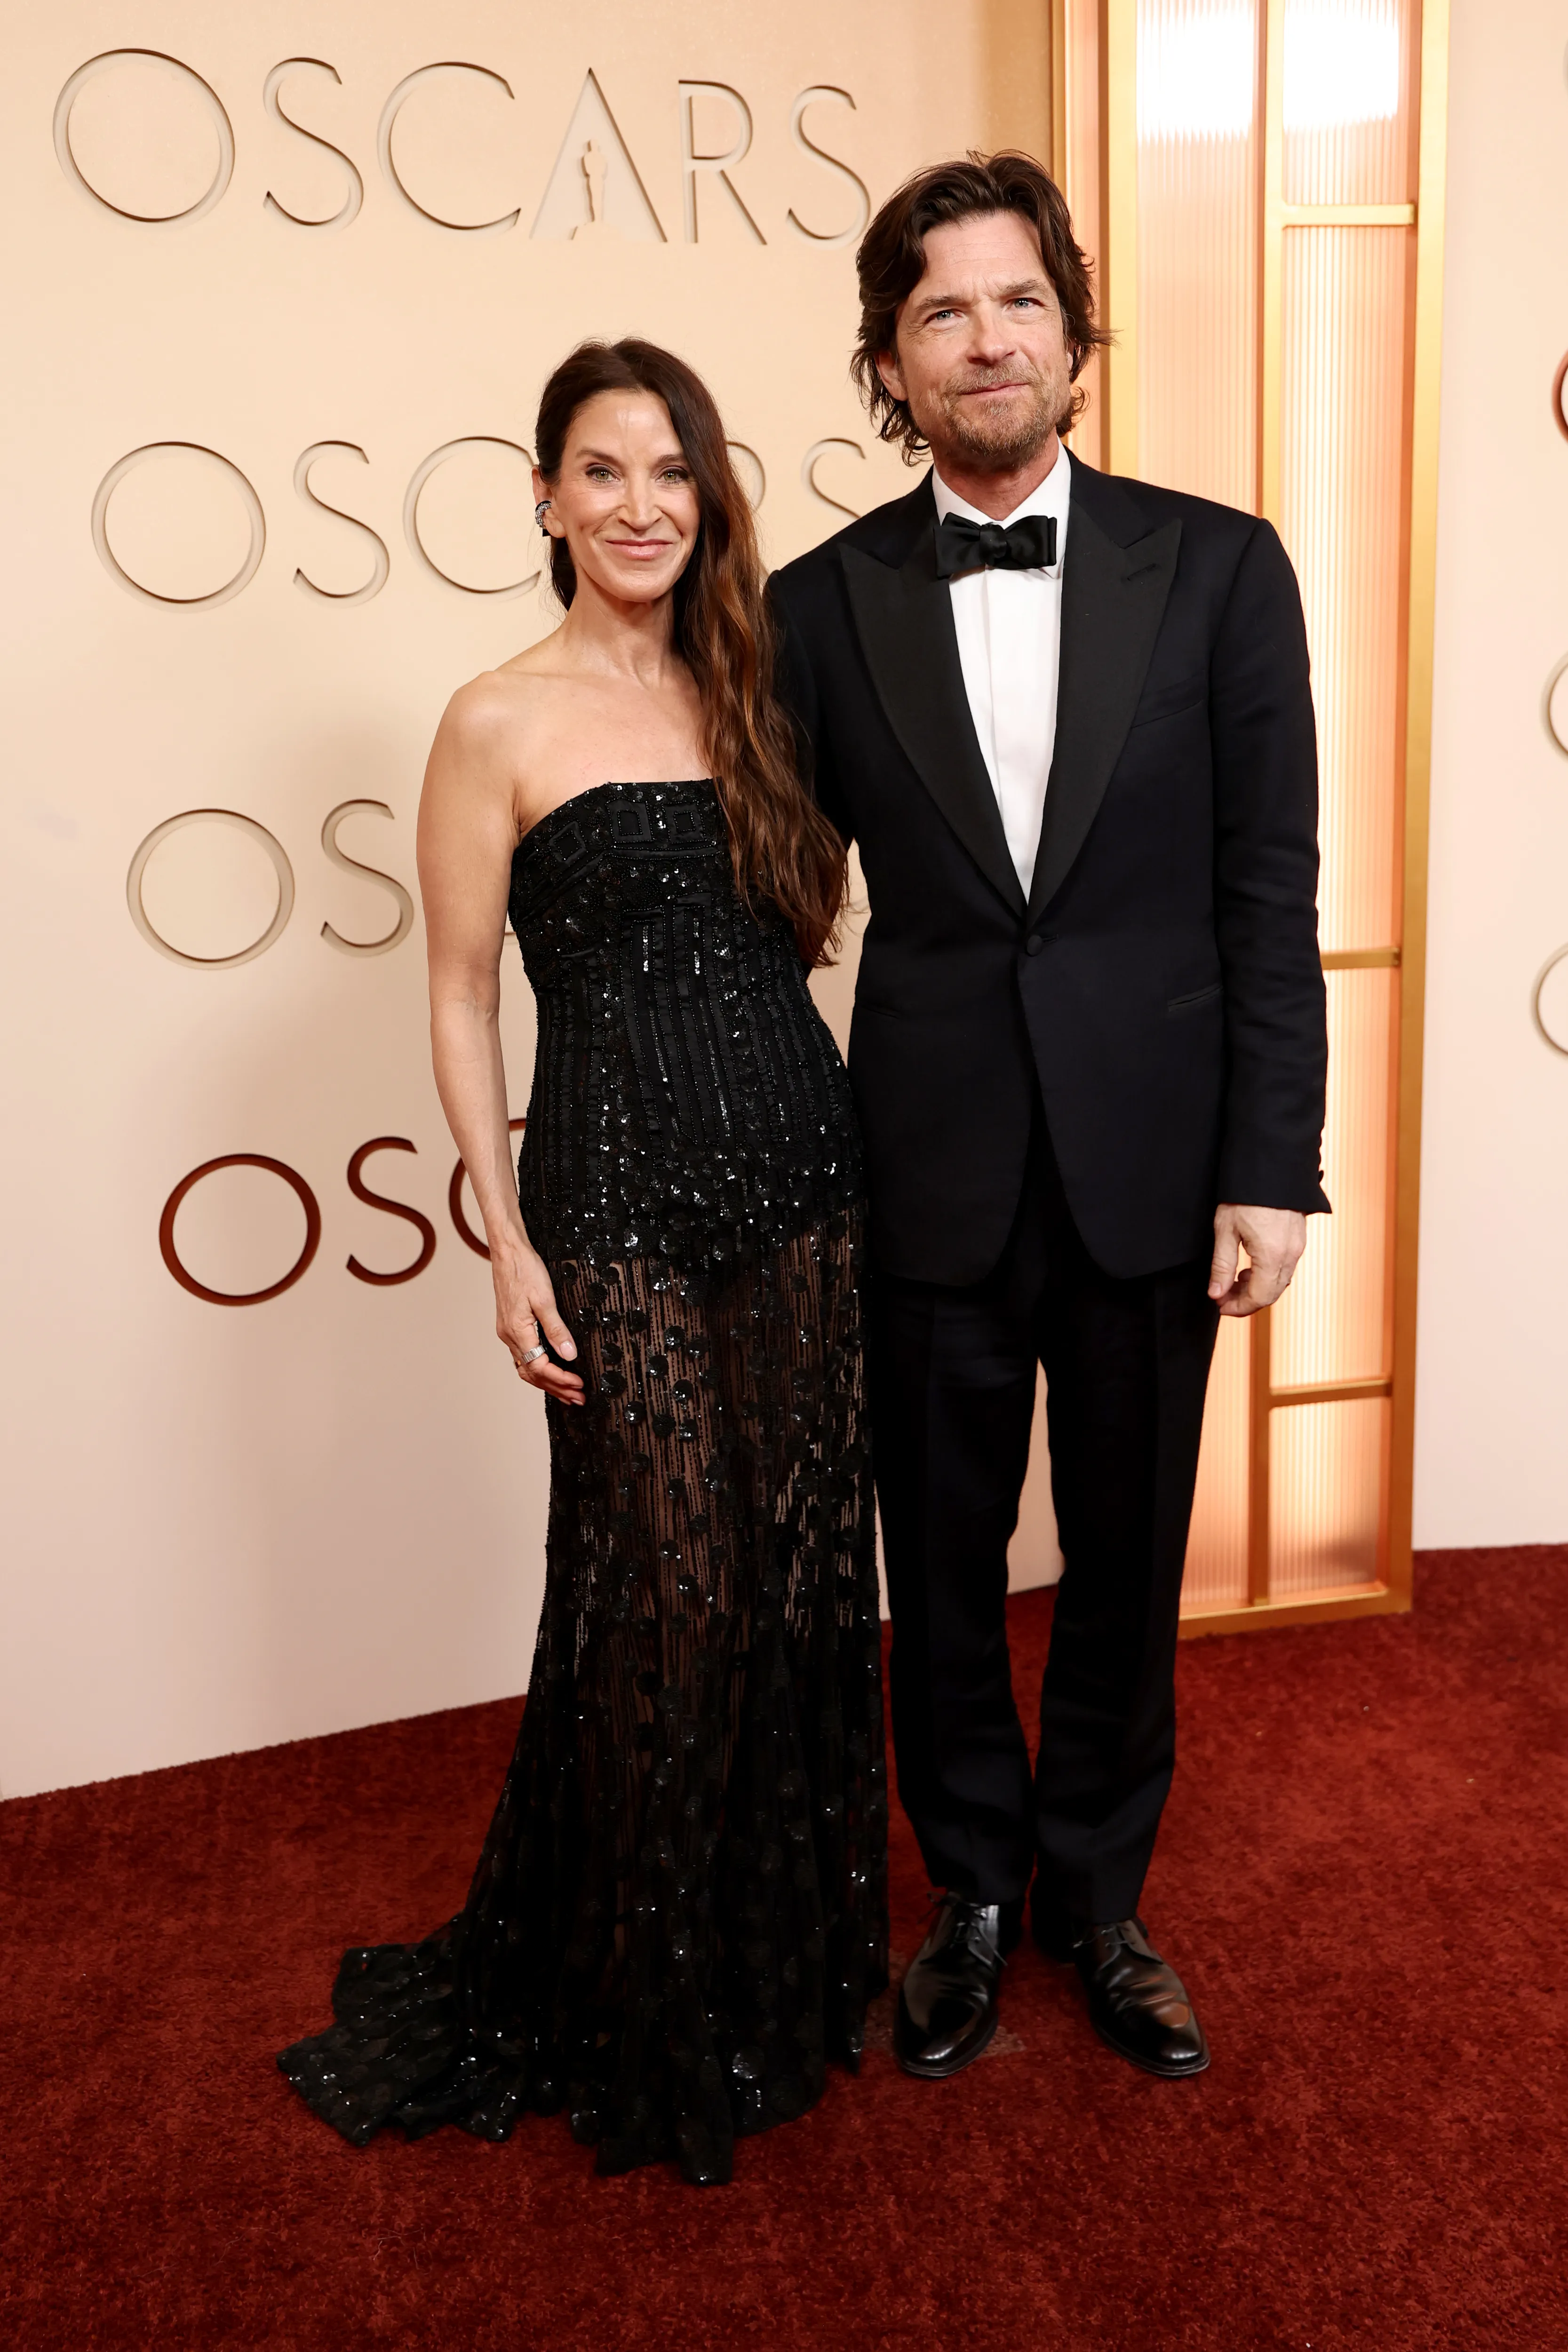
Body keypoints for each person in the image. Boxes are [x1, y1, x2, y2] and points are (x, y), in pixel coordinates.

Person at [278, 339, 888, 2185]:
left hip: (797, 1159)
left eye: (670, 472)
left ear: (707, 499)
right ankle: (628, 1989)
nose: (638, 503)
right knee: (669, 1587)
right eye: (601, 470)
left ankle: (770, 1975)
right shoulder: (493, 717)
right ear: (543, 495)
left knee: (789, 1579)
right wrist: (500, 1226)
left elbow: (811, 923)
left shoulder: (752, 686)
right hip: (613, 1190)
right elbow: (461, 990)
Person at [770, 153, 1327, 2084]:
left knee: (1123, 1550)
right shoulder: (814, 605)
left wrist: (1270, 1160)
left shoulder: (1222, 565)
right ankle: (973, 1894)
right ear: (887, 361)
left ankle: (1100, 1894)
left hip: (1154, 1163)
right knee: (931, 1561)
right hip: (913, 1164)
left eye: (1014, 300)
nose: (982, 338)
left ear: (1073, 332)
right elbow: (760, 894)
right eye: (937, 311)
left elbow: (1270, 888)